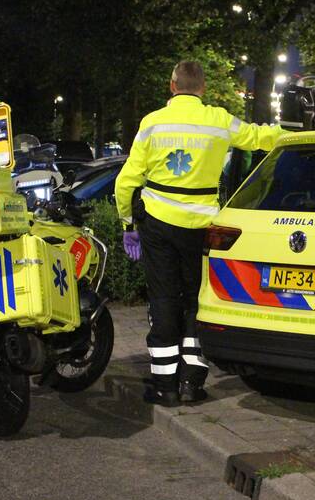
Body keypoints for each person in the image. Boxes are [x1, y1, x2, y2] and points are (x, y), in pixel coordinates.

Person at [115, 61, 287, 406]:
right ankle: (192, 383)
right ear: (203, 88)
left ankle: (164, 387)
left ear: (172, 85)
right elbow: (259, 136)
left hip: (158, 224)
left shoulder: (152, 123)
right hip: (202, 227)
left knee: (163, 299)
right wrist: (295, 134)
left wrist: (127, 225)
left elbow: (126, 181)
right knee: (195, 300)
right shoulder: (219, 120)